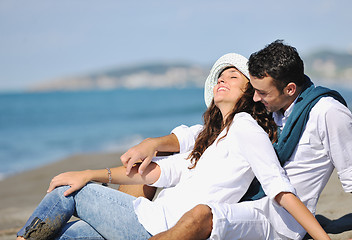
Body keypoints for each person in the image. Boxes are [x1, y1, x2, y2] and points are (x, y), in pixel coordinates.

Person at [16, 53, 330, 240]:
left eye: (233, 77)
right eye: (220, 76)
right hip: (149, 218)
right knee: (71, 235)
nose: (222, 79)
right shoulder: (214, 137)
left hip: (159, 226)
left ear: (250, 93)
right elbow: (154, 174)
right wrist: (92, 172)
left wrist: (321, 237)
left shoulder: (246, 128)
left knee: (68, 193)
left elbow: (280, 188)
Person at [122, 41, 352, 240]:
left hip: (277, 218)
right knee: (152, 161)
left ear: (289, 89)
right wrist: (153, 142)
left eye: (262, 93)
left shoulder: (328, 114)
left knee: (201, 215)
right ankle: (123, 226)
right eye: (254, 90)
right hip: (245, 200)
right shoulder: (271, 107)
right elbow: (204, 134)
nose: (255, 98)